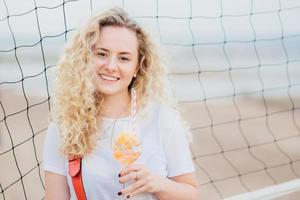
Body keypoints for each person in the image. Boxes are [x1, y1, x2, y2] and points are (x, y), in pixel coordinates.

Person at [43, 7, 200, 200]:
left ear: (138, 66)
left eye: (124, 58)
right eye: (101, 54)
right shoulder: (64, 125)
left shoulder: (163, 119)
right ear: (85, 58)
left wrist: (159, 184)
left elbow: (193, 195)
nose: (110, 66)